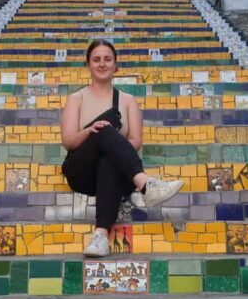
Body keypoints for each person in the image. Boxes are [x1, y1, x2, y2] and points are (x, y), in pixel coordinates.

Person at [60, 40, 184, 257]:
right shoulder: (76, 98)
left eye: (107, 59)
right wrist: (91, 131)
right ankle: (146, 185)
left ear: (116, 65)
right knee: (104, 130)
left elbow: (136, 141)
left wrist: (111, 146)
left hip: (116, 174)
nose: (102, 64)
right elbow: (68, 141)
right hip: (81, 172)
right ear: (88, 64)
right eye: (96, 59)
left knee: (109, 159)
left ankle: (100, 237)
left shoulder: (127, 100)